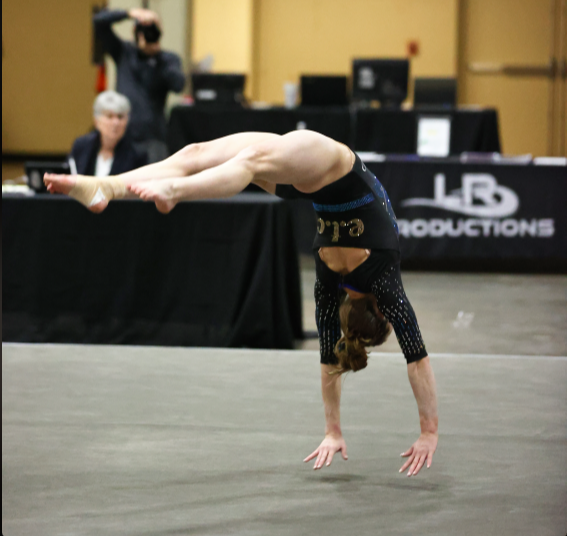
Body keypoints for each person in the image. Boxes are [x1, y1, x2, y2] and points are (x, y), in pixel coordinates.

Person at [44, 130, 438, 477]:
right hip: (316, 179)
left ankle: (162, 190)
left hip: (334, 165)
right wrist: (333, 431)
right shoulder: (329, 278)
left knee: (211, 156)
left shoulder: (383, 279)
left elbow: (415, 357)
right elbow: (329, 361)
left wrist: (429, 431)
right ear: (349, 314)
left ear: (380, 310)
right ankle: (106, 187)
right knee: (207, 155)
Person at [93, 7, 186, 162]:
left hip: (153, 139)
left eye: (154, 32)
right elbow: (99, 22)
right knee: (122, 183)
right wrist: (131, 13)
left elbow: (178, 85)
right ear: (136, 33)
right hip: (122, 136)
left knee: (154, 183)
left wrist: (157, 57)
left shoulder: (168, 59)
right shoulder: (124, 52)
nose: (149, 36)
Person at [70, 91, 148, 177]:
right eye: (109, 116)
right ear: (97, 121)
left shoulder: (137, 155)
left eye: (120, 117)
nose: (115, 122)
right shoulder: (81, 146)